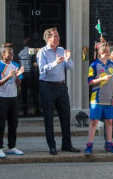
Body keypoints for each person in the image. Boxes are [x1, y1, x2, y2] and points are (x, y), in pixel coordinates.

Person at [37, 27, 80, 155]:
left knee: (65, 116)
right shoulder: (42, 52)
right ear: (49, 38)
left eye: (58, 35)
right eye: (56, 36)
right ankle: (52, 146)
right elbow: (42, 70)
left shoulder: (61, 50)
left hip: (61, 86)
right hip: (47, 86)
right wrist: (55, 62)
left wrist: (67, 59)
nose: (59, 38)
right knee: (49, 117)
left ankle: (67, 144)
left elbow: (71, 67)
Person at [84, 43, 113, 155]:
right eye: (105, 51)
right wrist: (102, 78)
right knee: (94, 121)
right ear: (100, 52)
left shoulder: (112, 65)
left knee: (109, 121)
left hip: (109, 98)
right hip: (97, 98)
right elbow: (90, 81)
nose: (107, 53)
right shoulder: (94, 65)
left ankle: (108, 143)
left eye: (108, 51)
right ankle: (89, 144)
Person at [0, 43, 24, 158]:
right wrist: (8, 76)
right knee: (0, 124)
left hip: (13, 97)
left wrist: (18, 77)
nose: (12, 54)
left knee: (13, 124)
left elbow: (18, 84)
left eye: (12, 52)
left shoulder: (15, 65)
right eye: (9, 53)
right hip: (1, 98)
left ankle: (12, 146)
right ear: (3, 54)